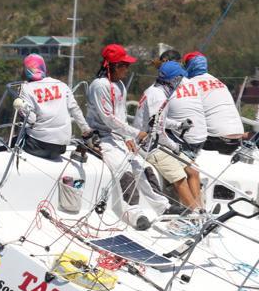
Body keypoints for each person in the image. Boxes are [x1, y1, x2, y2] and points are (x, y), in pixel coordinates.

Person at [86, 44, 168, 224]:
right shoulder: (99, 85)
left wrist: (129, 137)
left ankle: (163, 206)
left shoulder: (120, 85)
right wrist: (136, 132)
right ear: (114, 66)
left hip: (119, 136)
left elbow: (121, 114)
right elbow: (108, 118)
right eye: (125, 65)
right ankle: (133, 213)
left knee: (142, 167)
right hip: (102, 137)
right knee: (124, 170)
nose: (127, 69)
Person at [133, 61, 201, 209]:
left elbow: (160, 121)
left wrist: (178, 125)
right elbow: (157, 131)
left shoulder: (160, 91)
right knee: (180, 177)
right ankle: (196, 214)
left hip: (158, 142)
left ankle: (201, 210)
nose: (182, 82)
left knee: (193, 170)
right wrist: (174, 147)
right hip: (149, 146)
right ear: (173, 79)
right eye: (180, 78)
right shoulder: (158, 96)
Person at [16, 54, 92, 160]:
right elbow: (75, 109)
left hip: (38, 145)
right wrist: (86, 130)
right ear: (43, 68)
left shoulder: (26, 88)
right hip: (61, 147)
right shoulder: (61, 85)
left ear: (27, 70)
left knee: (12, 143)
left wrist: (20, 107)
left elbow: (31, 119)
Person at [163, 57, 208, 209]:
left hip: (185, 139)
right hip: (201, 137)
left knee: (187, 171)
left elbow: (158, 120)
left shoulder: (164, 91)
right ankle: (198, 209)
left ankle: (195, 209)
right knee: (192, 170)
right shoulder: (194, 83)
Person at [183, 51, 246, 154]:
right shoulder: (219, 82)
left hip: (216, 141)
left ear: (189, 66)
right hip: (238, 138)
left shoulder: (190, 84)